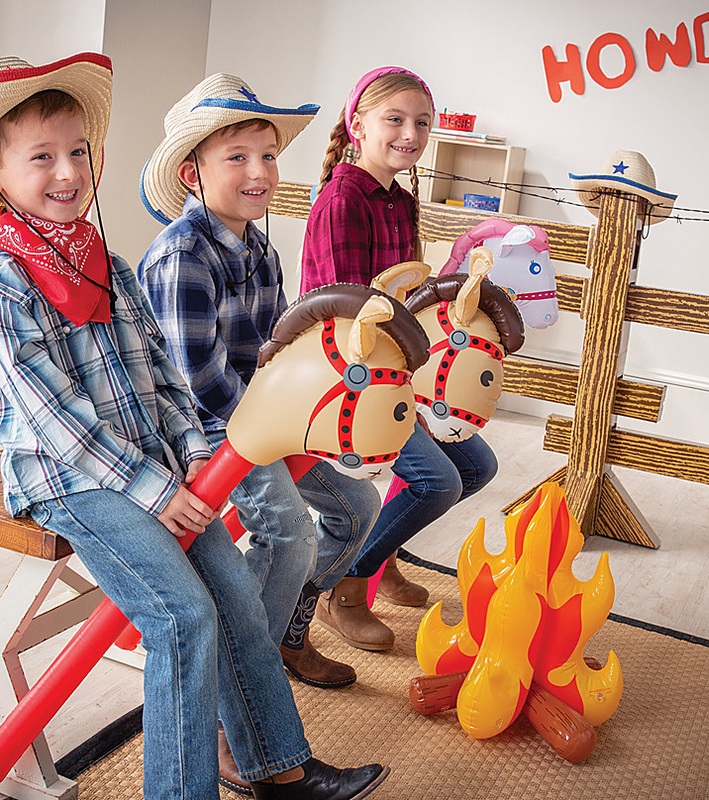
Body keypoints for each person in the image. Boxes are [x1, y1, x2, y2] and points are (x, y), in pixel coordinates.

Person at [0, 53, 387, 800]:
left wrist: (192, 453)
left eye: (77, 152)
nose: (67, 172)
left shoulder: (107, 265)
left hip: (149, 464)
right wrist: (154, 487)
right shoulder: (7, 278)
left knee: (236, 597)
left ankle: (281, 768)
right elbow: (53, 416)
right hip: (65, 477)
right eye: (40, 156)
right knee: (180, 618)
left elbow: (169, 380)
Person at [137, 74, 383, 791]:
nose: (258, 173)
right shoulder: (186, 253)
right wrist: (286, 426)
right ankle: (229, 711)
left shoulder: (262, 252)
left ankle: (264, 632)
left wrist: (314, 416)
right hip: (211, 434)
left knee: (359, 506)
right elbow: (200, 385)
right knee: (292, 534)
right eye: (237, 157)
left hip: (266, 418)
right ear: (194, 173)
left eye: (268, 157)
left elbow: (280, 350)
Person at [301, 66, 499, 651]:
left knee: (476, 466)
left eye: (422, 123)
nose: (410, 133)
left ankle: (379, 555)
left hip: (393, 364)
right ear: (356, 125)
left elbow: (404, 294)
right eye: (395, 119)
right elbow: (349, 308)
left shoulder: (398, 199)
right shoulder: (343, 200)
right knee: (437, 481)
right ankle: (346, 587)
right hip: (350, 374)